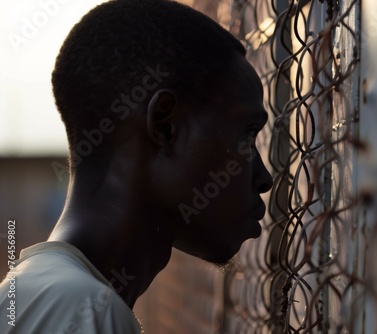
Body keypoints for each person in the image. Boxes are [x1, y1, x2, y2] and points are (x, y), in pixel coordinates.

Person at [0, 0, 273, 332]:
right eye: (246, 136)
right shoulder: (83, 311)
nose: (264, 177)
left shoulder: (41, 293)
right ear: (165, 126)